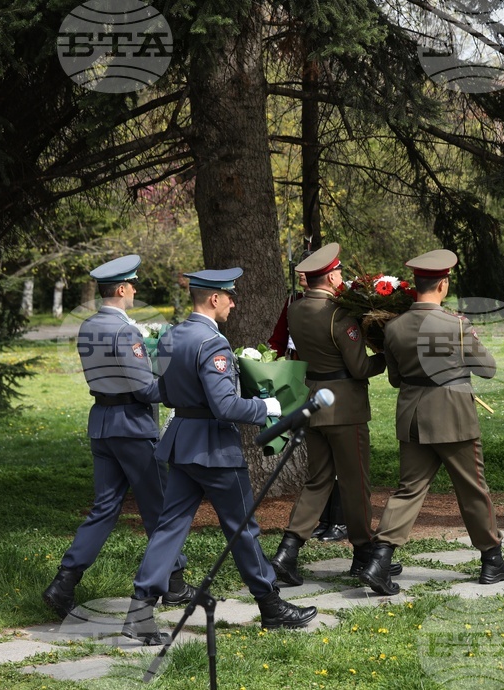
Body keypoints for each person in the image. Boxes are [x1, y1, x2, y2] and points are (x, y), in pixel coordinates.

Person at [123, 268, 316, 645]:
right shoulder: (213, 343)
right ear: (214, 298)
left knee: (169, 528)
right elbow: (224, 406)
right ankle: (271, 605)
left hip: (182, 443)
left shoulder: (173, 335)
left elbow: (166, 392)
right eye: (229, 296)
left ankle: (139, 611)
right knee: (242, 527)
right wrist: (267, 406)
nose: (233, 303)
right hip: (214, 449)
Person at [43, 255, 196, 620]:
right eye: (133, 286)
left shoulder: (89, 325)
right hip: (132, 427)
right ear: (123, 289)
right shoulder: (125, 331)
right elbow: (144, 389)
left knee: (104, 509)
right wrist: (181, 385)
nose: (135, 291)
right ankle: (173, 584)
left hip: (102, 423)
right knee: (160, 508)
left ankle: (64, 582)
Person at [359, 249, 504, 595]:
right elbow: (488, 369)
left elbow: (396, 379)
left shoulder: (394, 327)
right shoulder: (456, 324)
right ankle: (492, 561)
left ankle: (379, 560)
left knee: (408, 490)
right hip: (453, 416)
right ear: (443, 284)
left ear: (416, 285)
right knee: (472, 489)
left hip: (413, 417)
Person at [269, 243, 398, 585]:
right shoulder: (339, 315)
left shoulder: (295, 309)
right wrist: (386, 354)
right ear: (329, 277)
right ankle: (363, 553)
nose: (342, 278)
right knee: (355, 483)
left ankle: (287, 552)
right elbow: (359, 368)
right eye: (339, 273)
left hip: (312, 403)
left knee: (317, 481)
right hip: (344, 408)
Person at [267, 255, 348, 544]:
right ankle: (324, 519)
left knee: (341, 457)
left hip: (334, 384)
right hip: (303, 383)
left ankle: (339, 520)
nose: (302, 275)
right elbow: (278, 341)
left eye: (308, 271)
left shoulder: (339, 304)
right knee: (320, 460)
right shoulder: (293, 303)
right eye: (300, 271)